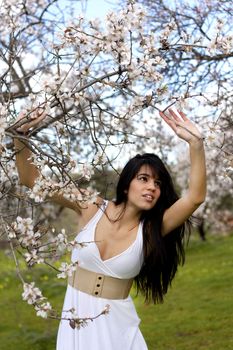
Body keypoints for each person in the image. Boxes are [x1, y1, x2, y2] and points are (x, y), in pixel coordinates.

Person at [14, 108, 206, 350]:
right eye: (144, 179)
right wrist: (20, 135)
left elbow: (195, 198)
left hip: (119, 331)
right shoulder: (91, 206)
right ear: (126, 185)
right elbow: (32, 180)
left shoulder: (150, 229)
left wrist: (196, 144)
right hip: (77, 326)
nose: (152, 188)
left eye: (158, 183)